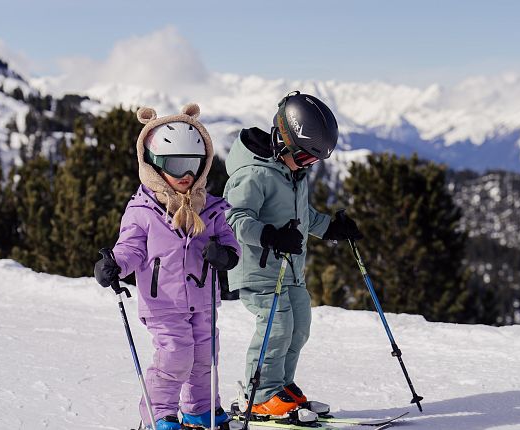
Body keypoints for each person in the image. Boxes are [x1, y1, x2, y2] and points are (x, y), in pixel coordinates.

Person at [94, 103, 241, 430]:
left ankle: (200, 410)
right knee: (175, 357)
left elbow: (230, 244)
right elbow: (130, 248)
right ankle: (159, 416)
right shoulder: (142, 211)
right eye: (176, 164)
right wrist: (115, 264)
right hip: (163, 304)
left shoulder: (212, 209)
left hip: (203, 301)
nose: (186, 174)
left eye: (193, 164)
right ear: (154, 165)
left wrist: (225, 256)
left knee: (204, 359)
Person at [223, 91, 363, 418]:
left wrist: (332, 229)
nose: (307, 166)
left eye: (313, 162)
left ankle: (281, 387)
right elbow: (234, 218)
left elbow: (304, 217)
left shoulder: (292, 174)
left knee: (300, 325)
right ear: (283, 142)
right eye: (304, 159)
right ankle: (259, 395)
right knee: (277, 327)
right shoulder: (253, 174)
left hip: (289, 269)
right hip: (257, 269)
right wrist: (269, 236)